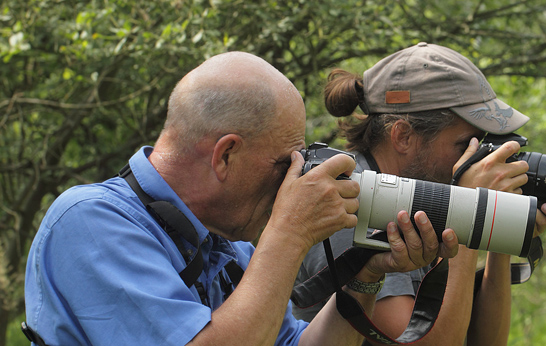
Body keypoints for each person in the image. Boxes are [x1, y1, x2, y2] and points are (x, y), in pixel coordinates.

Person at [23, 51, 460, 346]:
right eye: (283, 163)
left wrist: (367, 273)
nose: (292, 178)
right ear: (225, 155)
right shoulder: (91, 222)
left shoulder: (229, 249)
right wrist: (288, 233)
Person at [293, 42, 546, 345]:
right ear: (403, 136)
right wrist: (472, 210)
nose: (477, 158)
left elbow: (487, 341)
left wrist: (499, 223)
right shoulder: (352, 204)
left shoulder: (423, 197)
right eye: (465, 144)